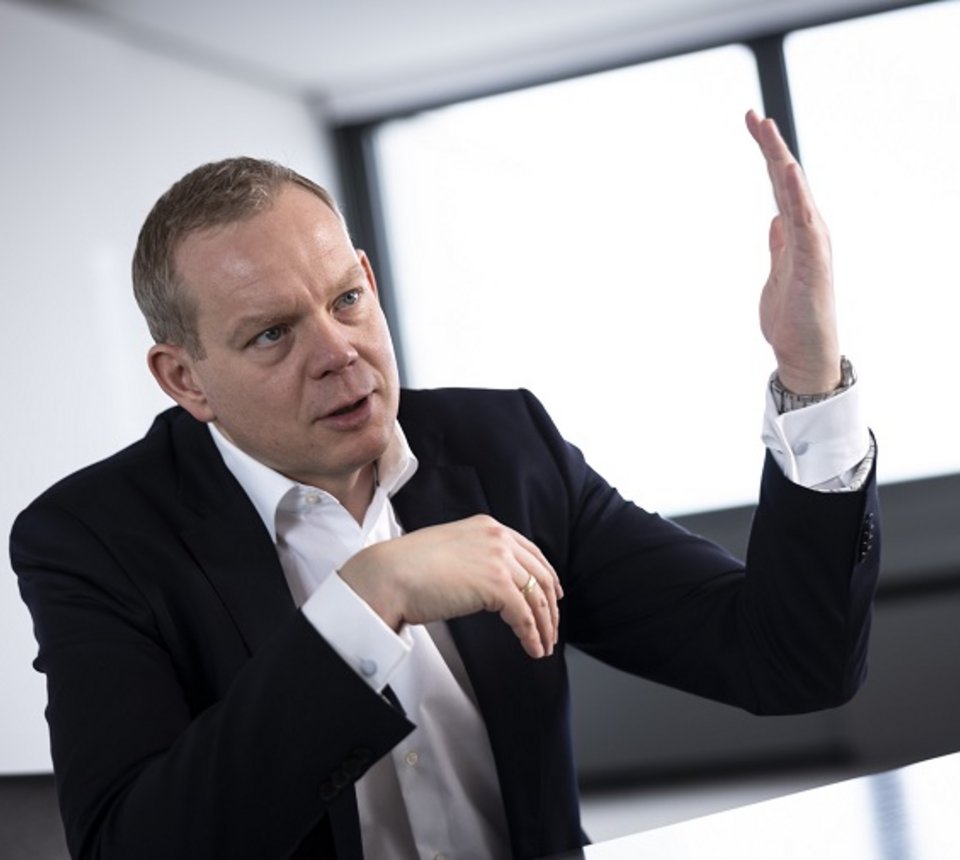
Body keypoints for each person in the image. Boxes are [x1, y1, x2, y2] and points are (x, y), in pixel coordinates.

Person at [11, 110, 879, 860]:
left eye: (345, 301)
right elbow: (133, 845)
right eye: (273, 334)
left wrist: (808, 373)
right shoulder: (94, 539)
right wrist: (367, 599)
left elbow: (790, 661)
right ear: (185, 379)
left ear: (369, 280)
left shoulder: (506, 448)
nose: (338, 352)